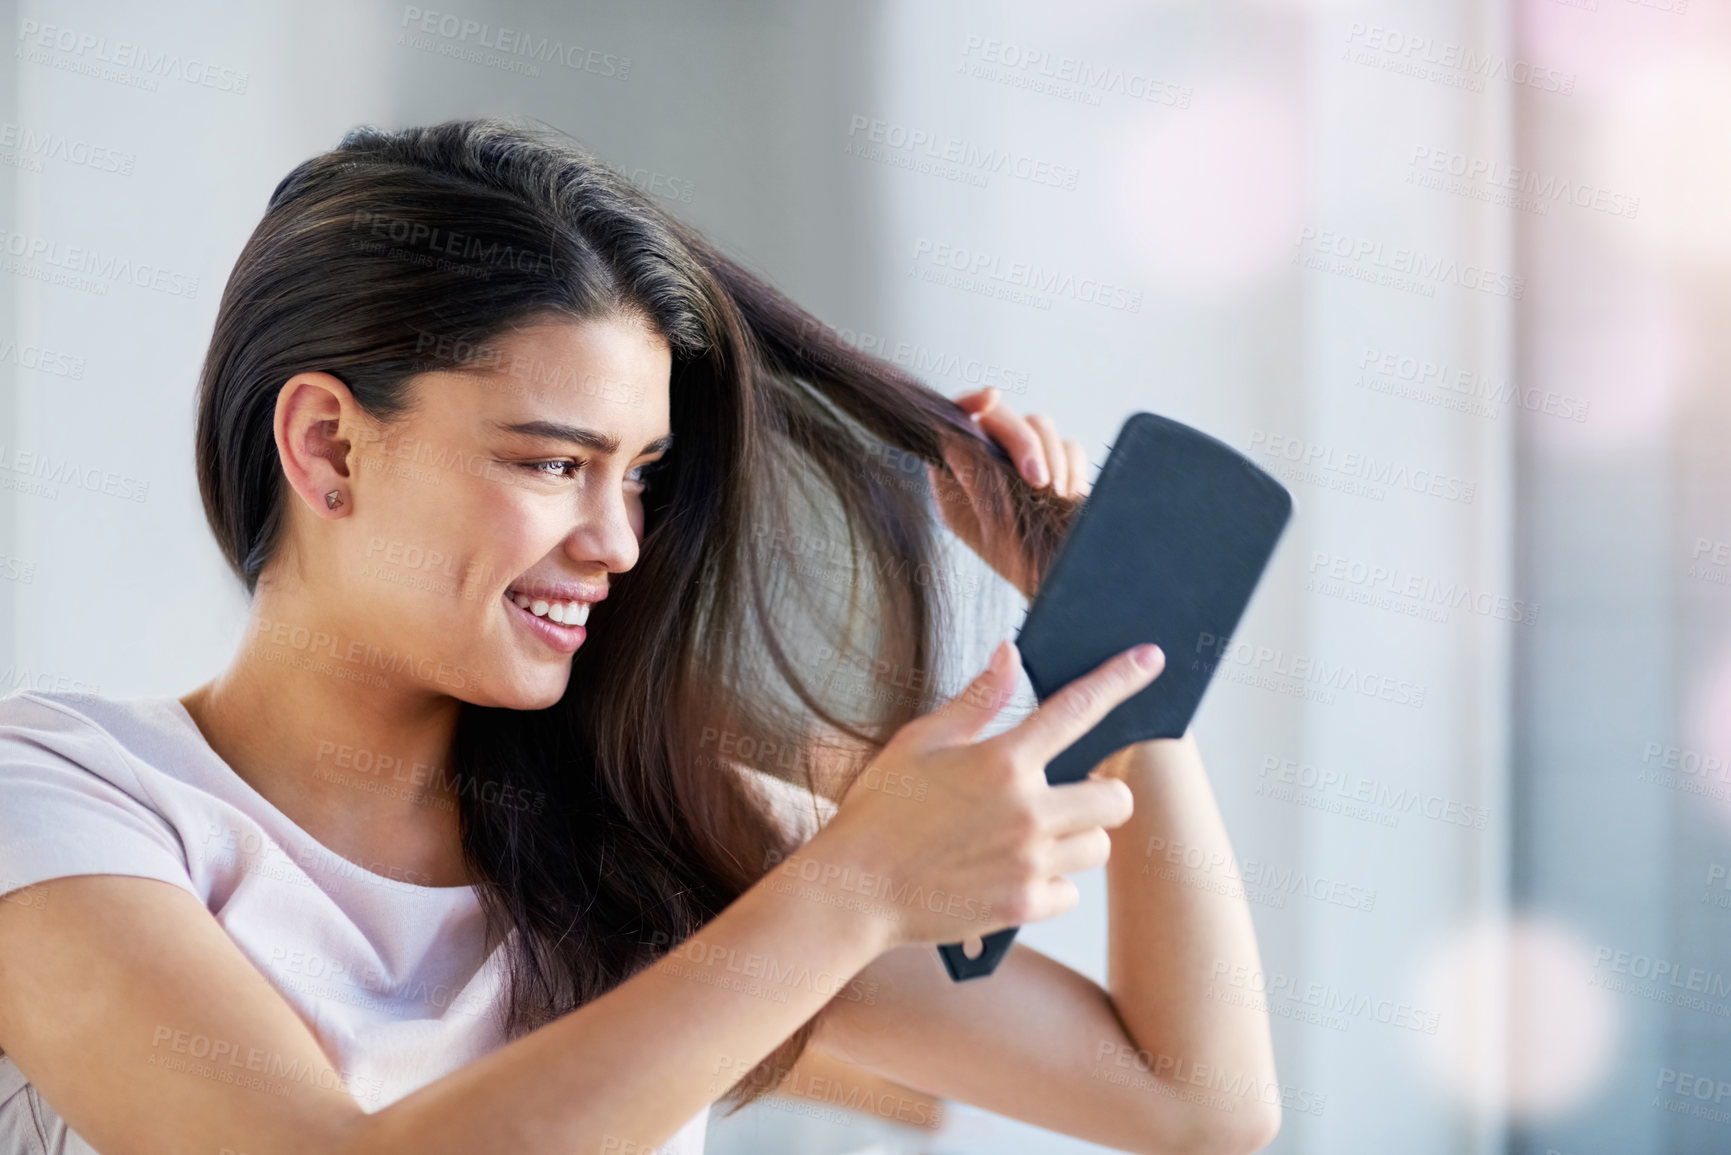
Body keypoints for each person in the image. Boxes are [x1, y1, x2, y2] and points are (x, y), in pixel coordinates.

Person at [0, 119, 1278, 1155]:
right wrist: (853, 894)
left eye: (643, 476)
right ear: (328, 446)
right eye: (555, 463)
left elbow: (1190, 1100)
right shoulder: (66, 804)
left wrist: (1110, 619)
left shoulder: (650, 833)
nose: (619, 540)